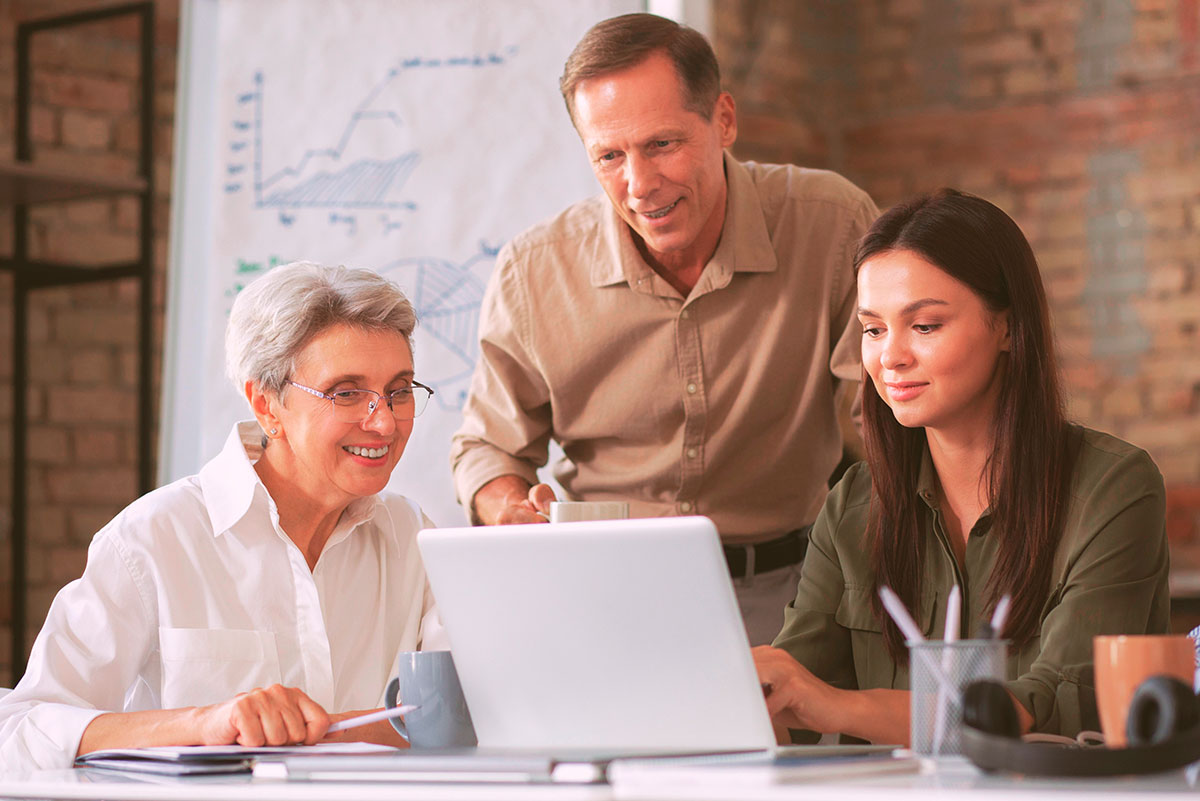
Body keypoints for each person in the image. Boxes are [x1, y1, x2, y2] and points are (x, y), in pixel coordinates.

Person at [450, 13, 879, 645]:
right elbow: (486, 447)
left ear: (723, 120)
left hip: (790, 594)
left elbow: (887, 411)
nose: (640, 185)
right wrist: (507, 508)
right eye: (609, 156)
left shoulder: (831, 223)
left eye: (662, 145)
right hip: (597, 593)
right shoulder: (535, 269)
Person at [753, 189, 1169, 743]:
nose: (890, 356)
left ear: (1008, 328)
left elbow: (1048, 704)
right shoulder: (853, 502)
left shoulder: (1114, 488)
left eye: (925, 326)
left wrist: (834, 706)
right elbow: (791, 701)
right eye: (873, 329)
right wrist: (745, 695)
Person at [0, 262, 446, 770]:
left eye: (399, 391)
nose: (384, 422)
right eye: (347, 393)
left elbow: (467, 712)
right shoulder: (153, 538)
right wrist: (204, 725)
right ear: (267, 404)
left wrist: (311, 735)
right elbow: (19, 729)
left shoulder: (413, 538)